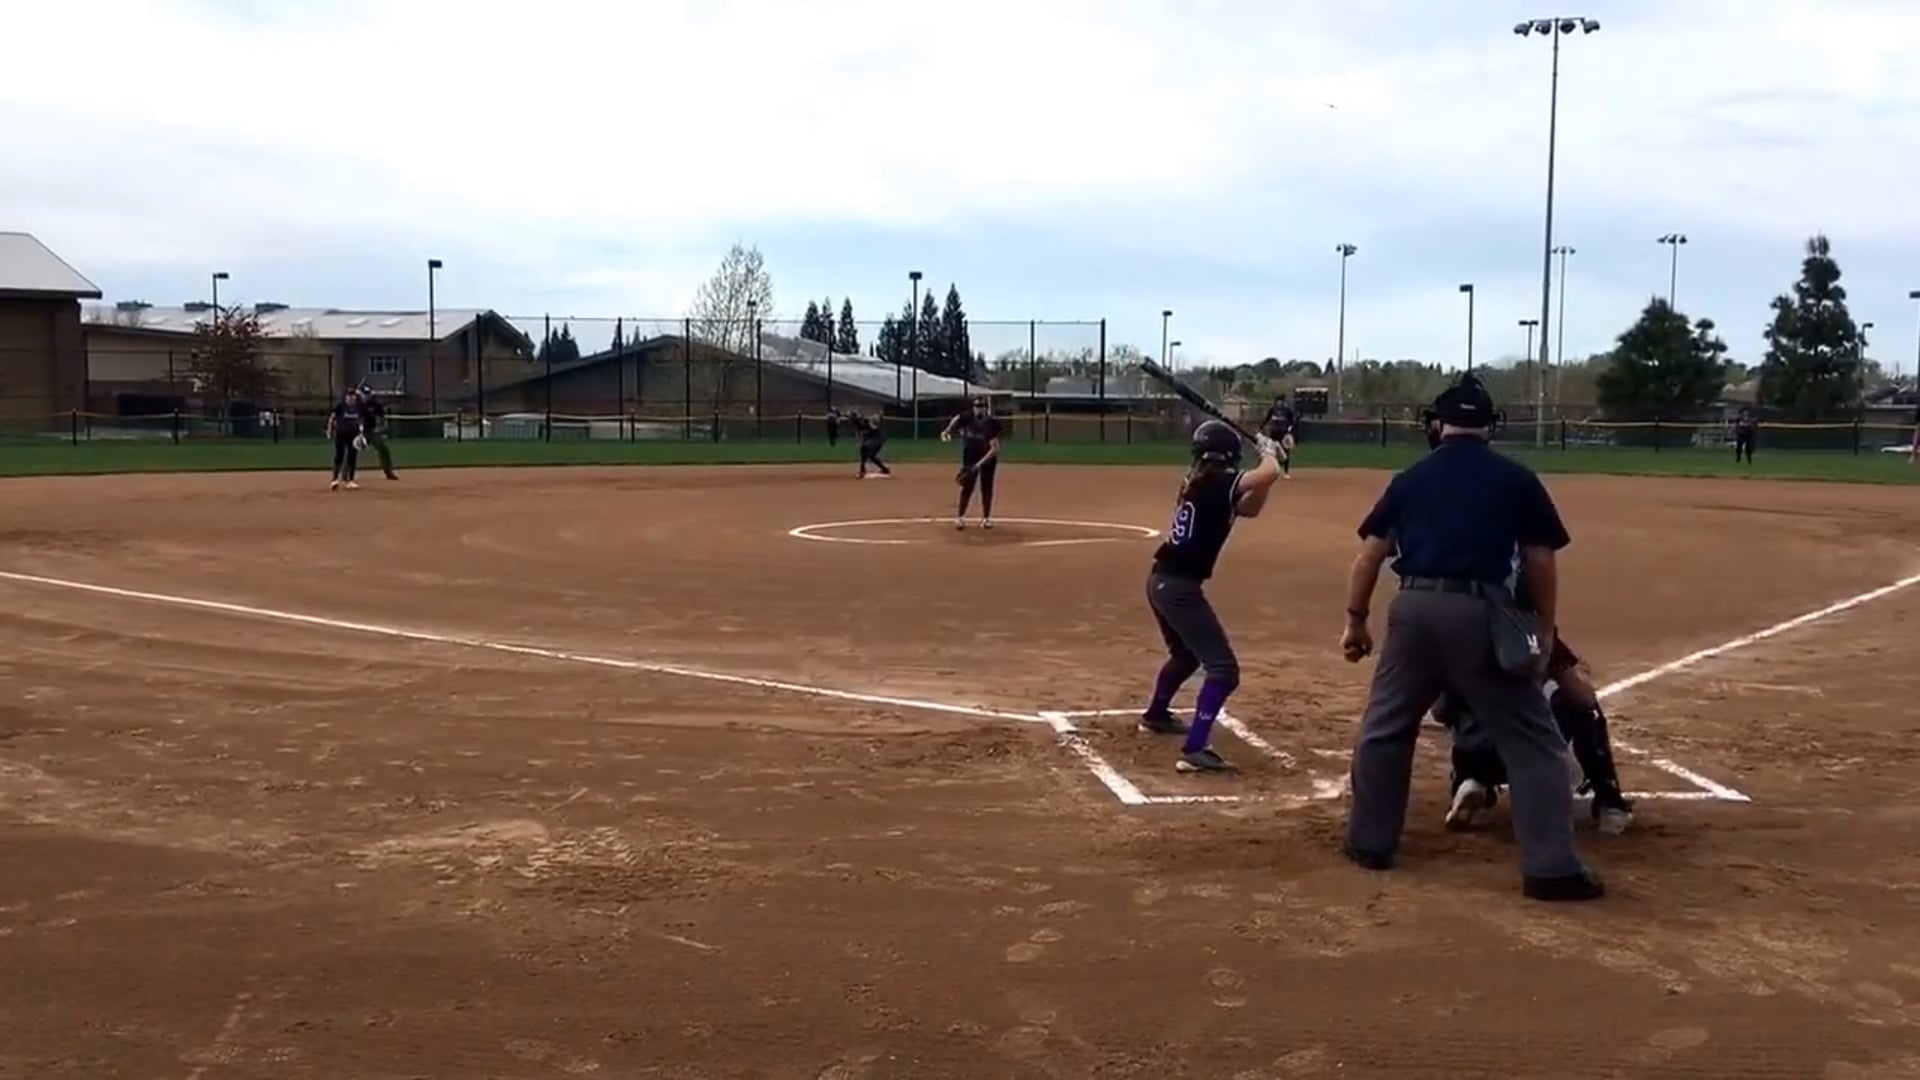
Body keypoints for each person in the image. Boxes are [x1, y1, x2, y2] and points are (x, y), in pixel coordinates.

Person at [1339, 374, 1603, 901]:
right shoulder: (1516, 478)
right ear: (1490, 426)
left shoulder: (1410, 478)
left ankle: (1369, 842)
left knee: (1385, 728)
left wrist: (1356, 620)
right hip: (1481, 612)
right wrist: (1544, 629)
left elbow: (1369, 556)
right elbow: (1540, 561)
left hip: (1413, 610)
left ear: (1437, 426)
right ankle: (1550, 868)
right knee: (1534, 743)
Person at [1138, 421, 1284, 773]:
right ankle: (1196, 748)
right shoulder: (1216, 483)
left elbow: (1250, 507)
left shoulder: (1202, 482)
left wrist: (1269, 467)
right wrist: (1268, 454)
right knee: (1223, 670)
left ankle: (1156, 715)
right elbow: (1267, 473)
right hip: (1178, 588)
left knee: (1186, 656)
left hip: (1163, 581)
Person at [1435, 596, 1635, 836]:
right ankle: (1610, 804)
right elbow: (1584, 699)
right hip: (1533, 756)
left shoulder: (1456, 639)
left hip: (1479, 754)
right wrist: (1566, 667)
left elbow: (1439, 712)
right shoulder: (1534, 632)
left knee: (1461, 707)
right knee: (1584, 708)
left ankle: (1470, 779)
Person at [942, 397, 1004, 530]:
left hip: (987, 459)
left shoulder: (991, 424)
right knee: (967, 486)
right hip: (970, 456)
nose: (979, 409)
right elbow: (956, 419)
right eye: (977, 406)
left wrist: (978, 466)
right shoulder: (968, 417)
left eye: (982, 407)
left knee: (986, 487)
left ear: (986, 408)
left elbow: (995, 449)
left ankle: (986, 519)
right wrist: (947, 430)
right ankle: (960, 518)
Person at [356, 385, 399, 481]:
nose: (367, 396)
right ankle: (347, 473)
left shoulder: (374, 404)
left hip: (371, 431)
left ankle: (388, 472)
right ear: (361, 394)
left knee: (383, 448)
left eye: (368, 394)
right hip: (357, 431)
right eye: (365, 394)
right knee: (351, 450)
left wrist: (381, 427)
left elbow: (382, 415)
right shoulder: (356, 405)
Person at [326, 386, 364, 491]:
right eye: (349, 396)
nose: (351, 398)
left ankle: (351, 480)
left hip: (354, 435)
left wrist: (361, 433)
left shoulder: (358, 407)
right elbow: (332, 418)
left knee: (352, 456)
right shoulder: (340, 406)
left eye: (353, 396)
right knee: (339, 455)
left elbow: (360, 421)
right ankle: (335, 479)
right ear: (346, 397)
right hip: (341, 434)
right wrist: (329, 430)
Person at [1261, 397, 1299, 479]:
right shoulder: (1272, 410)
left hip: (1283, 434)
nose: (1279, 403)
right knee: (1273, 452)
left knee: (1285, 453)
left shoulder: (1287, 411)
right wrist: (1261, 427)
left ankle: (1286, 471)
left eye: (1281, 401)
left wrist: (1290, 429)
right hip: (1273, 434)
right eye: (1278, 401)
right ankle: (1275, 472)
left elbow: (1293, 421)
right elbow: (1267, 419)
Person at [846, 410, 890, 478]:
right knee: (870, 456)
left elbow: (874, 428)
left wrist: (868, 422)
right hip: (871, 440)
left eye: (851, 417)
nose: (850, 419)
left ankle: (862, 471)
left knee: (864, 450)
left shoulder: (864, 421)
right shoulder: (858, 424)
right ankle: (884, 469)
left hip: (876, 439)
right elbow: (863, 435)